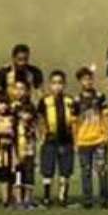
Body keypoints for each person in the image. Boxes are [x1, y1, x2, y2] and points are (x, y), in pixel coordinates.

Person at [37, 70, 77, 207]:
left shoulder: (70, 101)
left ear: (64, 85)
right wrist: (42, 134)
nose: (57, 86)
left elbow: (75, 120)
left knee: (65, 170)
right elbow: (40, 118)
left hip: (66, 139)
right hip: (50, 139)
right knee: (48, 169)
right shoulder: (45, 101)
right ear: (50, 85)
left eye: (60, 83)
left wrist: (75, 138)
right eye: (54, 83)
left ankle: (63, 197)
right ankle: (47, 196)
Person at [74, 66, 108, 210]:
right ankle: (87, 200)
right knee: (86, 171)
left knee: (102, 170)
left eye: (90, 79)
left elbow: (106, 117)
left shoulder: (100, 97)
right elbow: (74, 122)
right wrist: (75, 140)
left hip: (99, 140)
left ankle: (104, 200)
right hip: (83, 140)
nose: (88, 82)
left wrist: (106, 135)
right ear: (80, 81)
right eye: (84, 79)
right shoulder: (77, 100)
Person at [14, 83, 37, 209]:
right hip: (16, 144)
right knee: (17, 171)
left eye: (22, 89)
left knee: (29, 171)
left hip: (28, 145)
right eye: (17, 89)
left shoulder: (31, 107)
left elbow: (34, 121)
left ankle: (28, 199)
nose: (19, 91)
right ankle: (18, 199)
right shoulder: (12, 107)